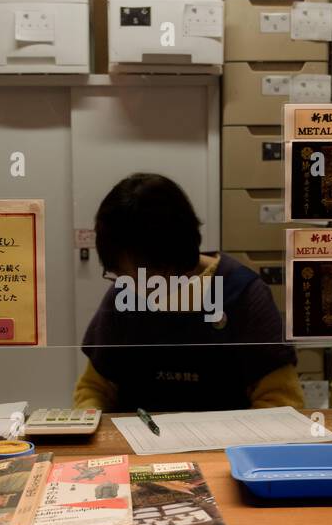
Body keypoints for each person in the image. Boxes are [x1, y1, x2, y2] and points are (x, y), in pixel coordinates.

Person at [74, 173, 302, 412]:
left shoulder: (241, 294)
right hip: (138, 443)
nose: (135, 288)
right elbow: (94, 389)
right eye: (122, 275)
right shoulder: (125, 292)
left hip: (225, 444)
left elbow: (280, 402)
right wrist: (91, 422)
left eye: (147, 276)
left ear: (179, 257)